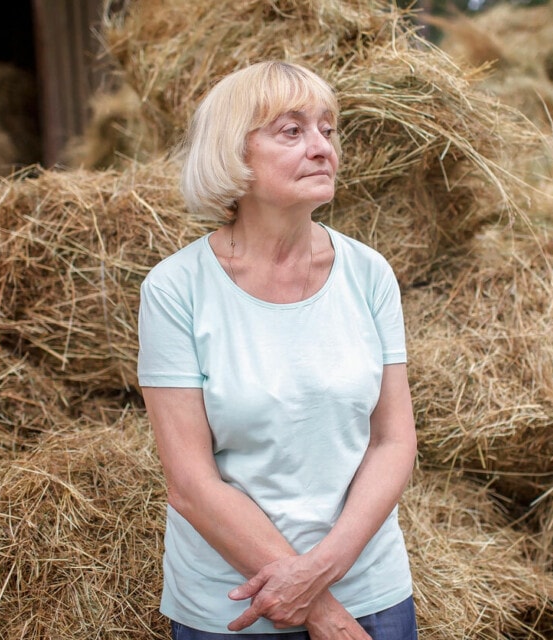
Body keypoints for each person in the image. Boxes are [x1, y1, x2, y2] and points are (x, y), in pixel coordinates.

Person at [137, 60, 418, 639]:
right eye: (292, 131)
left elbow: (394, 440)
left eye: (328, 128)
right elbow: (191, 483)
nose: (321, 148)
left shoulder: (369, 273)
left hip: (370, 591)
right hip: (234, 610)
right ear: (232, 154)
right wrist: (325, 615)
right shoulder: (174, 288)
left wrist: (318, 574)